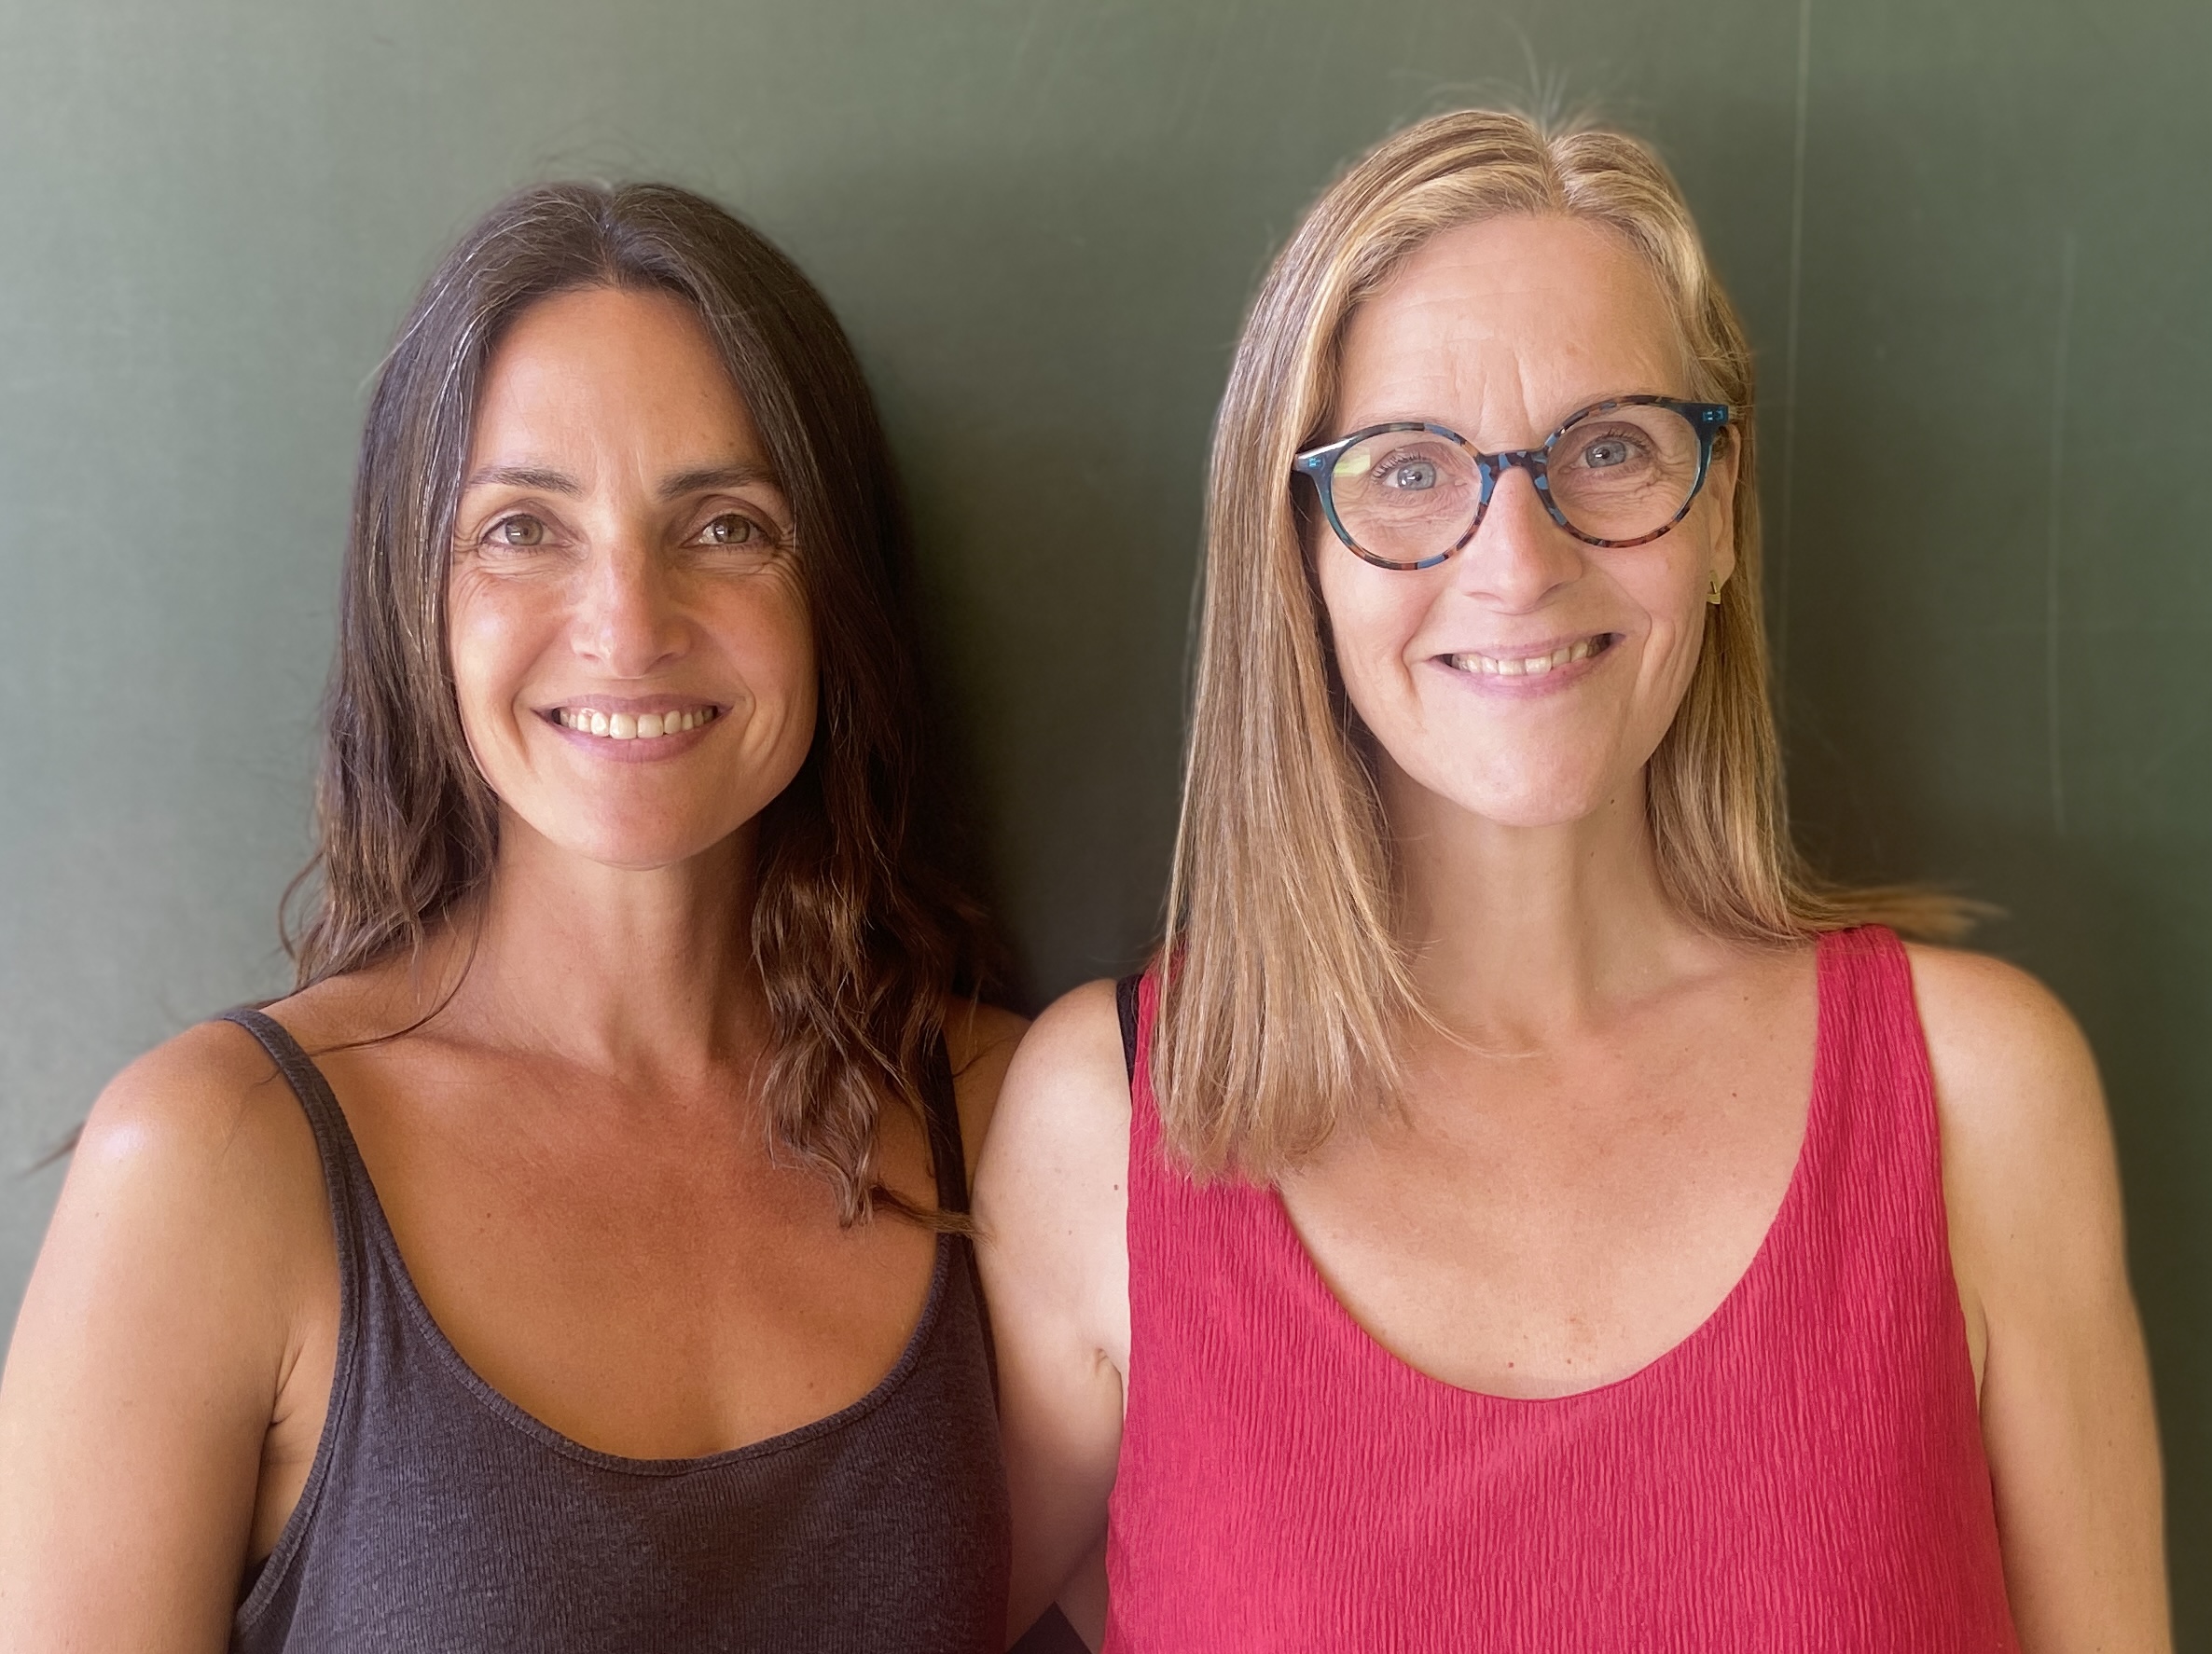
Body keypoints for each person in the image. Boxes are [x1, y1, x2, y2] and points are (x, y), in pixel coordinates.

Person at [977, 110, 2168, 1651]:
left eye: (1610, 449)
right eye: (1411, 470)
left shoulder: (1978, 1094)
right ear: (1298, 555)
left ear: (1720, 512)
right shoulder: (1108, 1126)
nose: (1518, 560)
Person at [0, 182, 1023, 1650]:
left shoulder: (1011, 1122)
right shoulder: (218, 1161)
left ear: (836, 592)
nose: (628, 622)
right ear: (415, 598)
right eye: (523, 528)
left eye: (726, 524)